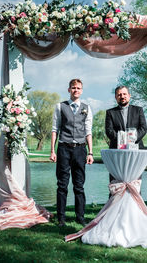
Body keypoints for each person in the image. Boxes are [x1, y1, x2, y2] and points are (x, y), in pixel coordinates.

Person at [50, 78, 94, 227]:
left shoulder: (87, 108)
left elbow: (88, 132)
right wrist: (52, 151)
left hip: (81, 149)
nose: (76, 90)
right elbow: (55, 129)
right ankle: (61, 217)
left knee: (79, 185)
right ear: (69, 90)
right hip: (64, 148)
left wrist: (90, 152)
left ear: (82, 91)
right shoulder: (60, 106)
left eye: (78, 88)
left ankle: (80, 217)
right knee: (62, 184)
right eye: (73, 88)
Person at [105, 85, 147, 182]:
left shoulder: (138, 110)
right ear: (116, 97)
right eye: (119, 95)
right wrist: (123, 141)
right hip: (116, 152)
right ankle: (114, 197)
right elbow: (109, 131)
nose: (122, 96)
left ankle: (135, 197)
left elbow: (143, 128)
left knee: (135, 182)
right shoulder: (110, 112)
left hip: (136, 151)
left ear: (129, 95)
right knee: (116, 181)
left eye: (124, 94)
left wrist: (131, 140)